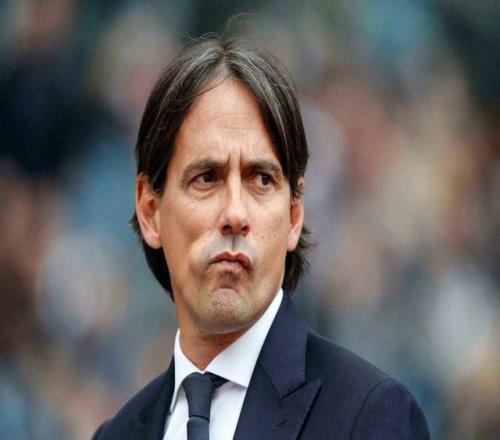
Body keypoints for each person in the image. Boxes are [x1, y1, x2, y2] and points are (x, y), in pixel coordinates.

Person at [92, 36, 430, 440]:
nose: (235, 214)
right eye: (207, 178)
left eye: (261, 179)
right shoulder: (117, 435)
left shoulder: (370, 416)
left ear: (294, 216)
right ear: (151, 211)